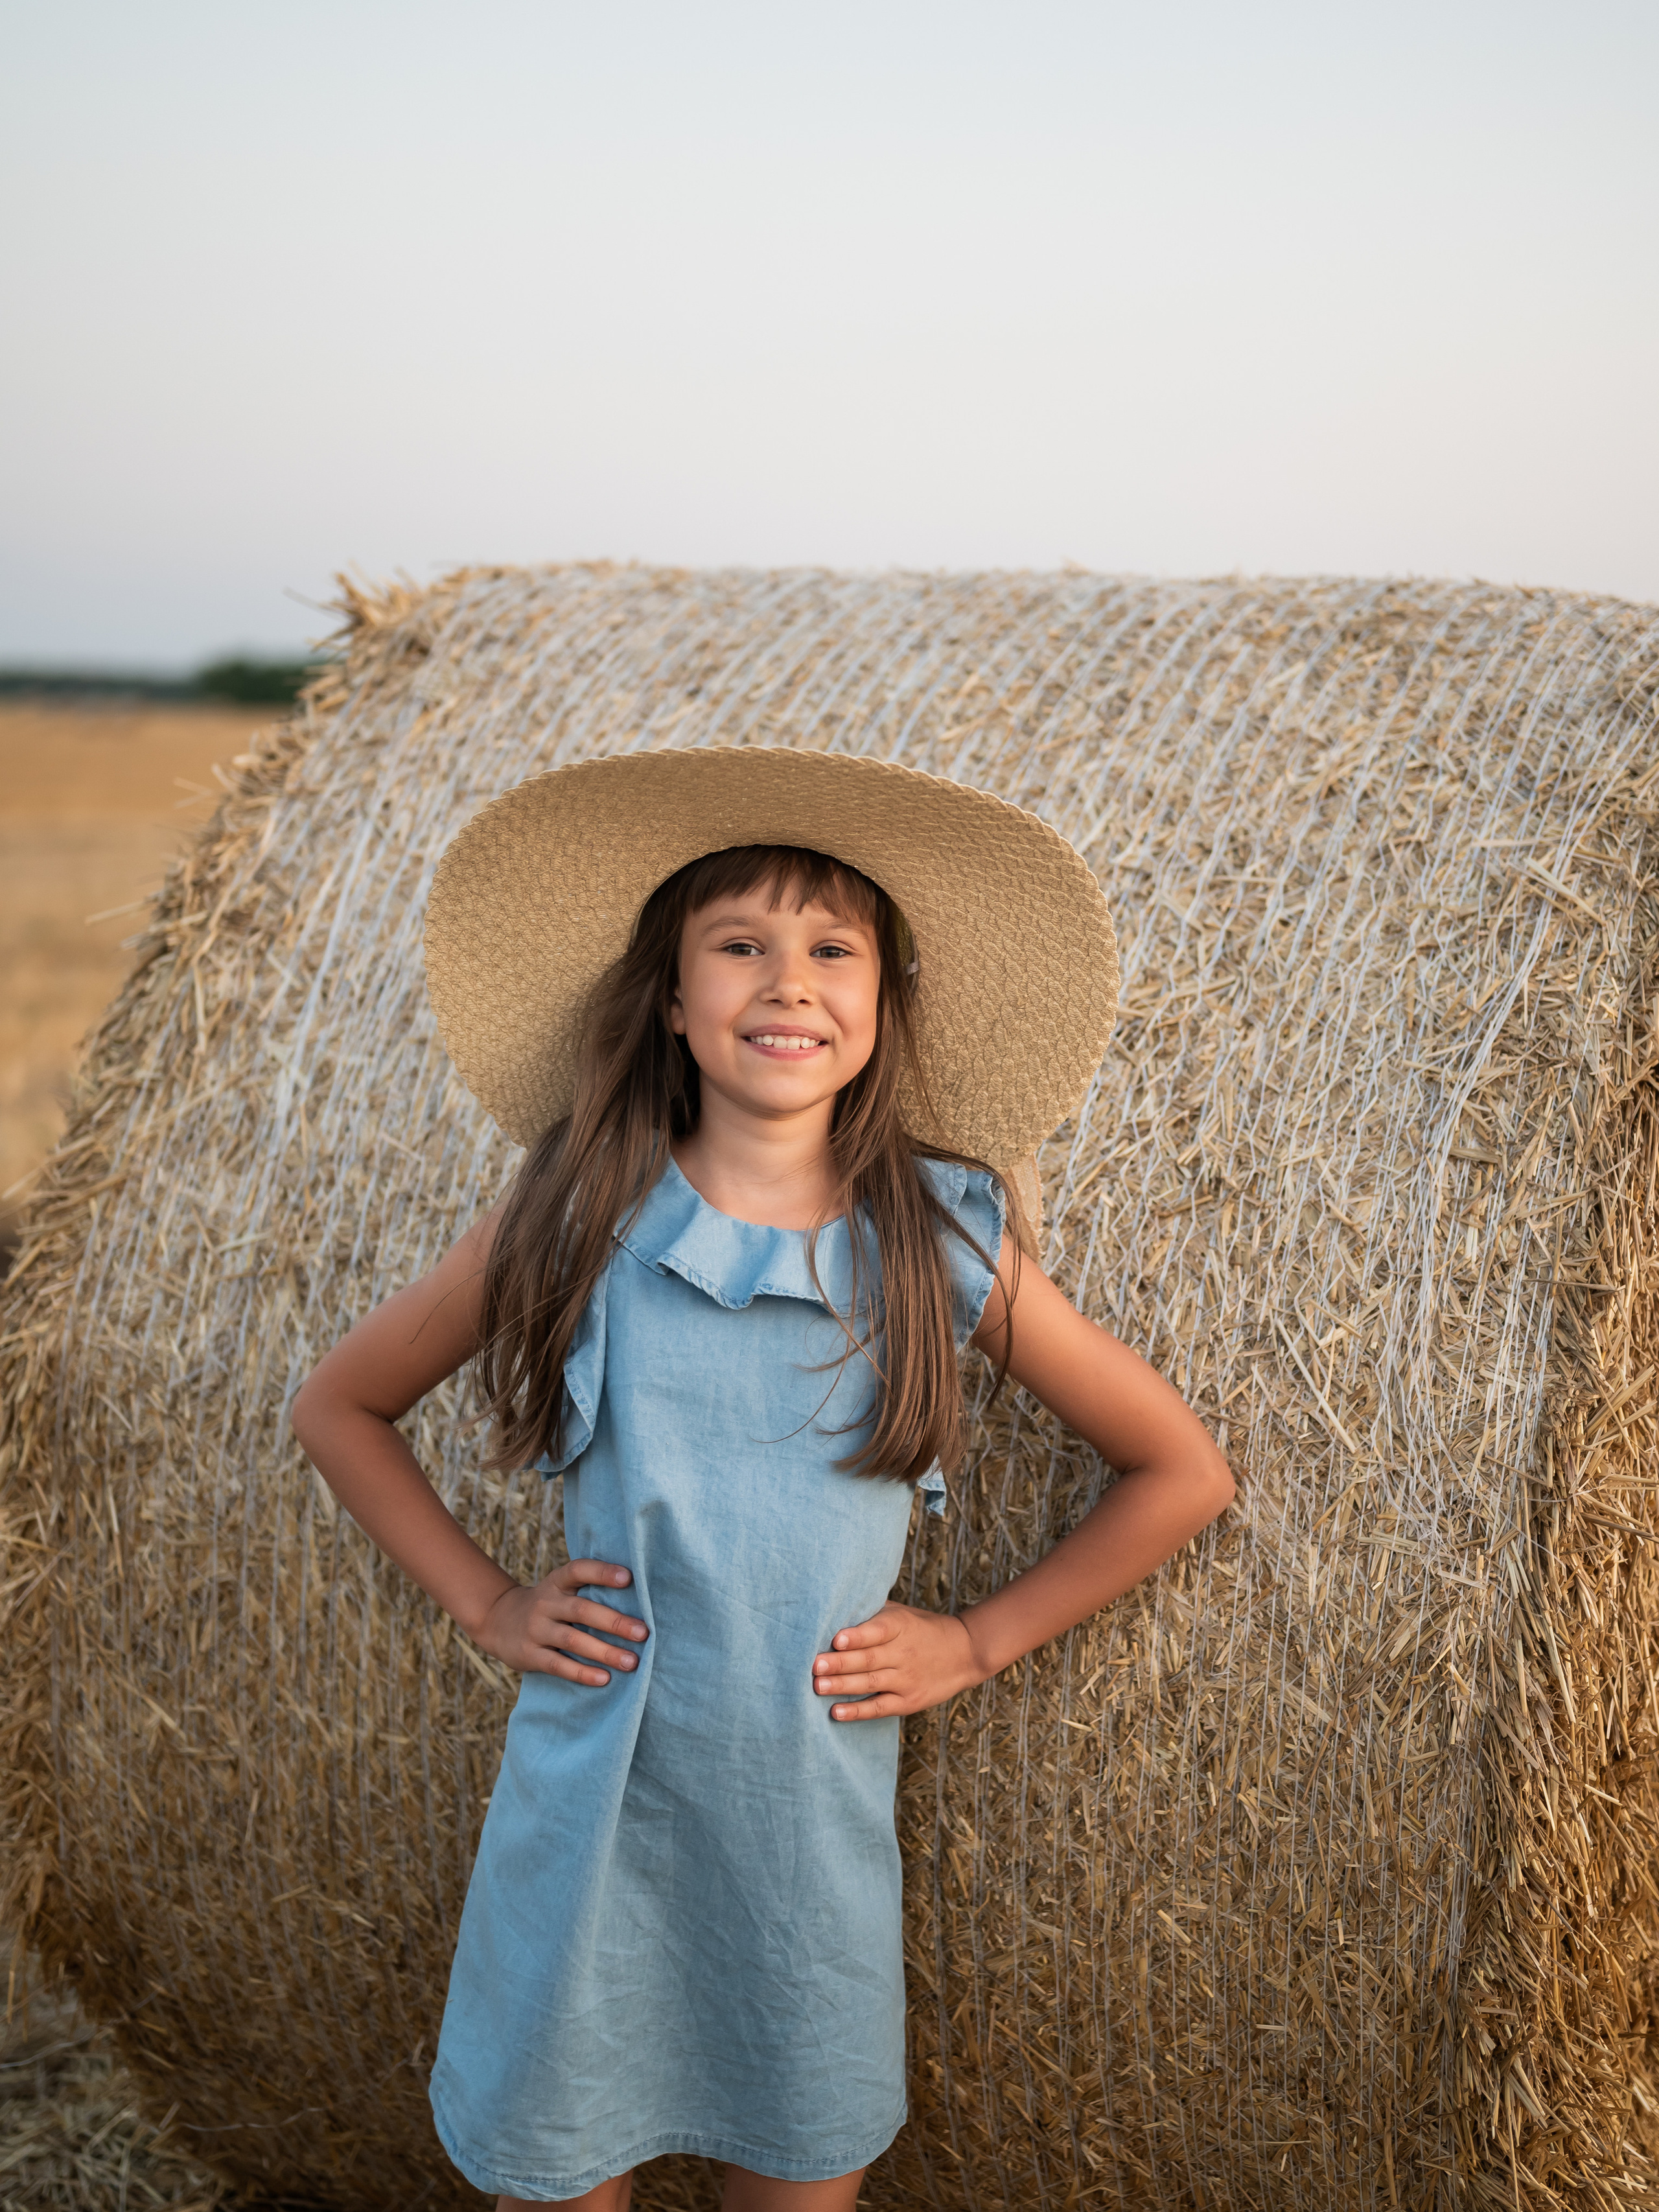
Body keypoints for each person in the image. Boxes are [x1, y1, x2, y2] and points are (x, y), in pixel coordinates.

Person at [291, 746, 1234, 2212]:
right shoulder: (578, 1210)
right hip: (589, 1815)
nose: (787, 982)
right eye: (739, 946)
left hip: (804, 1832)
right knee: (557, 2170)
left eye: (831, 950)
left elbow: (1178, 1468)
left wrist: (975, 1639)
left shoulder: (936, 1241)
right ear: (672, 1000)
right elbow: (341, 1403)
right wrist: (487, 1603)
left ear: (883, 1004)